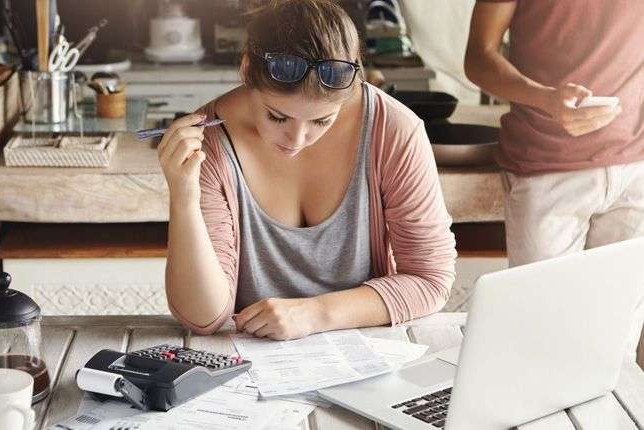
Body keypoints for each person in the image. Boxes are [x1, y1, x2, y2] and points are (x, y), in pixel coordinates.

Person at [159, 0, 456, 340]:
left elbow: (430, 280)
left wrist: (315, 314)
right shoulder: (208, 142)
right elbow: (203, 318)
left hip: (368, 354)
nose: (297, 139)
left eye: (321, 120)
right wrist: (183, 198)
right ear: (246, 69)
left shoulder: (394, 129)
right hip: (250, 361)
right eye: (277, 116)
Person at [465, 0, 644, 360]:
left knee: (617, 347)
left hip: (635, 168)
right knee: (542, 340)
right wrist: (545, 99)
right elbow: (479, 57)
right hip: (545, 168)